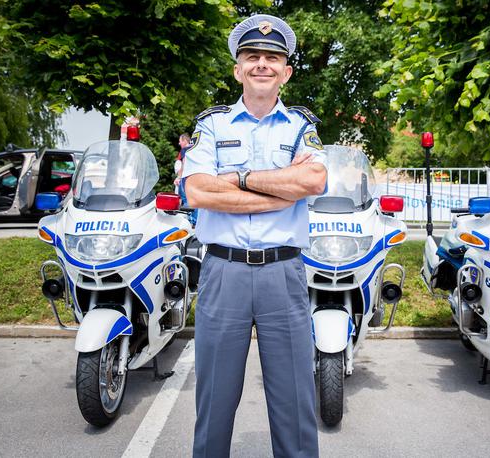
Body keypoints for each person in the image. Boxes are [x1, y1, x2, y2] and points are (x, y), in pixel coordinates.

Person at [183, 14, 327, 458]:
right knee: (214, 403)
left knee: (295, 403)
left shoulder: (303, 126)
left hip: (283, 274)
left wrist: (238, 179)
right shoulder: (212, 125)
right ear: (237, 69)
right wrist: (277, 188)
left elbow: (313, 181)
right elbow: (197, 189)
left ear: (285, 72)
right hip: (222, 273)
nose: (261, 63)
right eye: (252, 57)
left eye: (272, 58)